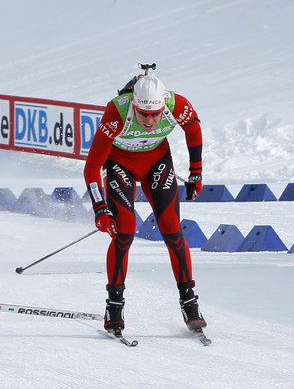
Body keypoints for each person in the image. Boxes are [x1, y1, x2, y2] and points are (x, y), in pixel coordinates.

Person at [82, 67, 207, 336]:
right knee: (124, 230)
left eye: (155, 115)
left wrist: (196, 172)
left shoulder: (176, 104)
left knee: (172, 228)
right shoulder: (117, 112)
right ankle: (114, 305)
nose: (150, 122)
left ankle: (189, 302)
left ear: (163, 105)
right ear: (134, 106)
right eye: (143, 115)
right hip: (121, 164)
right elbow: (92, 167)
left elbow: (194, 130)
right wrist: (99, 208)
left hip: (156, 162)